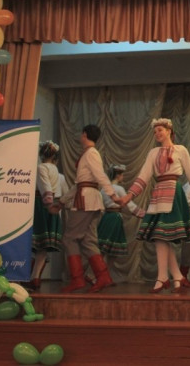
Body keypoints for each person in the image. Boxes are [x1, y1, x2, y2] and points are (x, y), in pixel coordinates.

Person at [120, 118, 190, 293]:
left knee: (161, 236)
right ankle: (176, 276)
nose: (157, 134)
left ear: (169, 131)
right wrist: (129, 195)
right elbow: (144, 176)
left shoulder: (181, 150)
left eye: (160, 130)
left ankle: (163, 277)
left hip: (173, 193)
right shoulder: (153, 152)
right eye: (155, 132)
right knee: (161, 236)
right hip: (159, 194)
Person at [56, 125, 122, 293]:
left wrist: (112, 195)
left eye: (81, 134)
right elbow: (79, 183)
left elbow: (100, 176)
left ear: (84, 134)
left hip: (85, 201)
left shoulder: (91, 153)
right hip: (89, 199)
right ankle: (102, 276)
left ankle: (78, 279)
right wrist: (62, 201)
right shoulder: (89, 153)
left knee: (70, 238)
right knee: (88, 240)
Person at [91, 164, 145, 283]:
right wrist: (143, 214)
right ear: (118, 175)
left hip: (106, 218)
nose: (123, 177)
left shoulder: (103, 189)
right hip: (114, 218)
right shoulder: (118, 189)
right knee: (108, 250)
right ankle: (97, 277)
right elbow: (129, 204)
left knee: (107, 250)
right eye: (122, 174)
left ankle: (103, 276)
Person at [30, 140, 64, 291]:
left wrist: (48, 204)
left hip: (42, 205)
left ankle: (33, 277)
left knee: (36, 244)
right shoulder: (55, 170)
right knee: (42, 247)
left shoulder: (41, 167)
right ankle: (35, 277)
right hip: (52, 205)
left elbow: (46, 187)